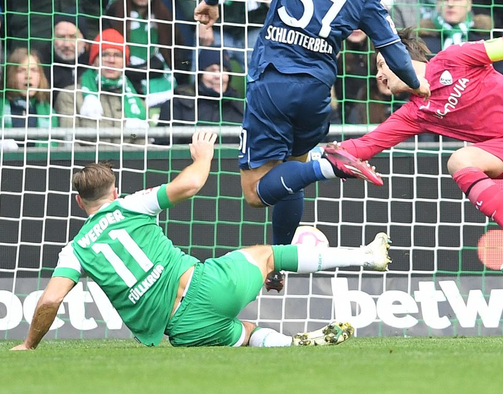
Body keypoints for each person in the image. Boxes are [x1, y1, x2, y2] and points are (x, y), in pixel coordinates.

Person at [281, 11, 503, 309]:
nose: (378, 75)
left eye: (380, 65)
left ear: (399, 55)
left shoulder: (455, 57)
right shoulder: (414, 113)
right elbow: (367, 145)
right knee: (459, 160)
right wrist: (309, 155)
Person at [193, 0, 430, 291]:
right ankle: (279, 260)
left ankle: (328, 165)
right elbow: (392, 50)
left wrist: (210, 0)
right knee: (290, 171)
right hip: (319, 91)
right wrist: (419, 86)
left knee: (255, 193)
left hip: (273, 81)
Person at [10, 131, 393, 350]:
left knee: (243, 333)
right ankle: (366, 255)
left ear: (79, 203)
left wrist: (28, 345)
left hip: (181, 329)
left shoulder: (74, 250)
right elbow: (191, 183)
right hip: (203, 287)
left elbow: (50, 300)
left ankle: (293, 346)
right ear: (114, 192)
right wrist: (203, 155)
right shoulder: (129, 206)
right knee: (265, 256)